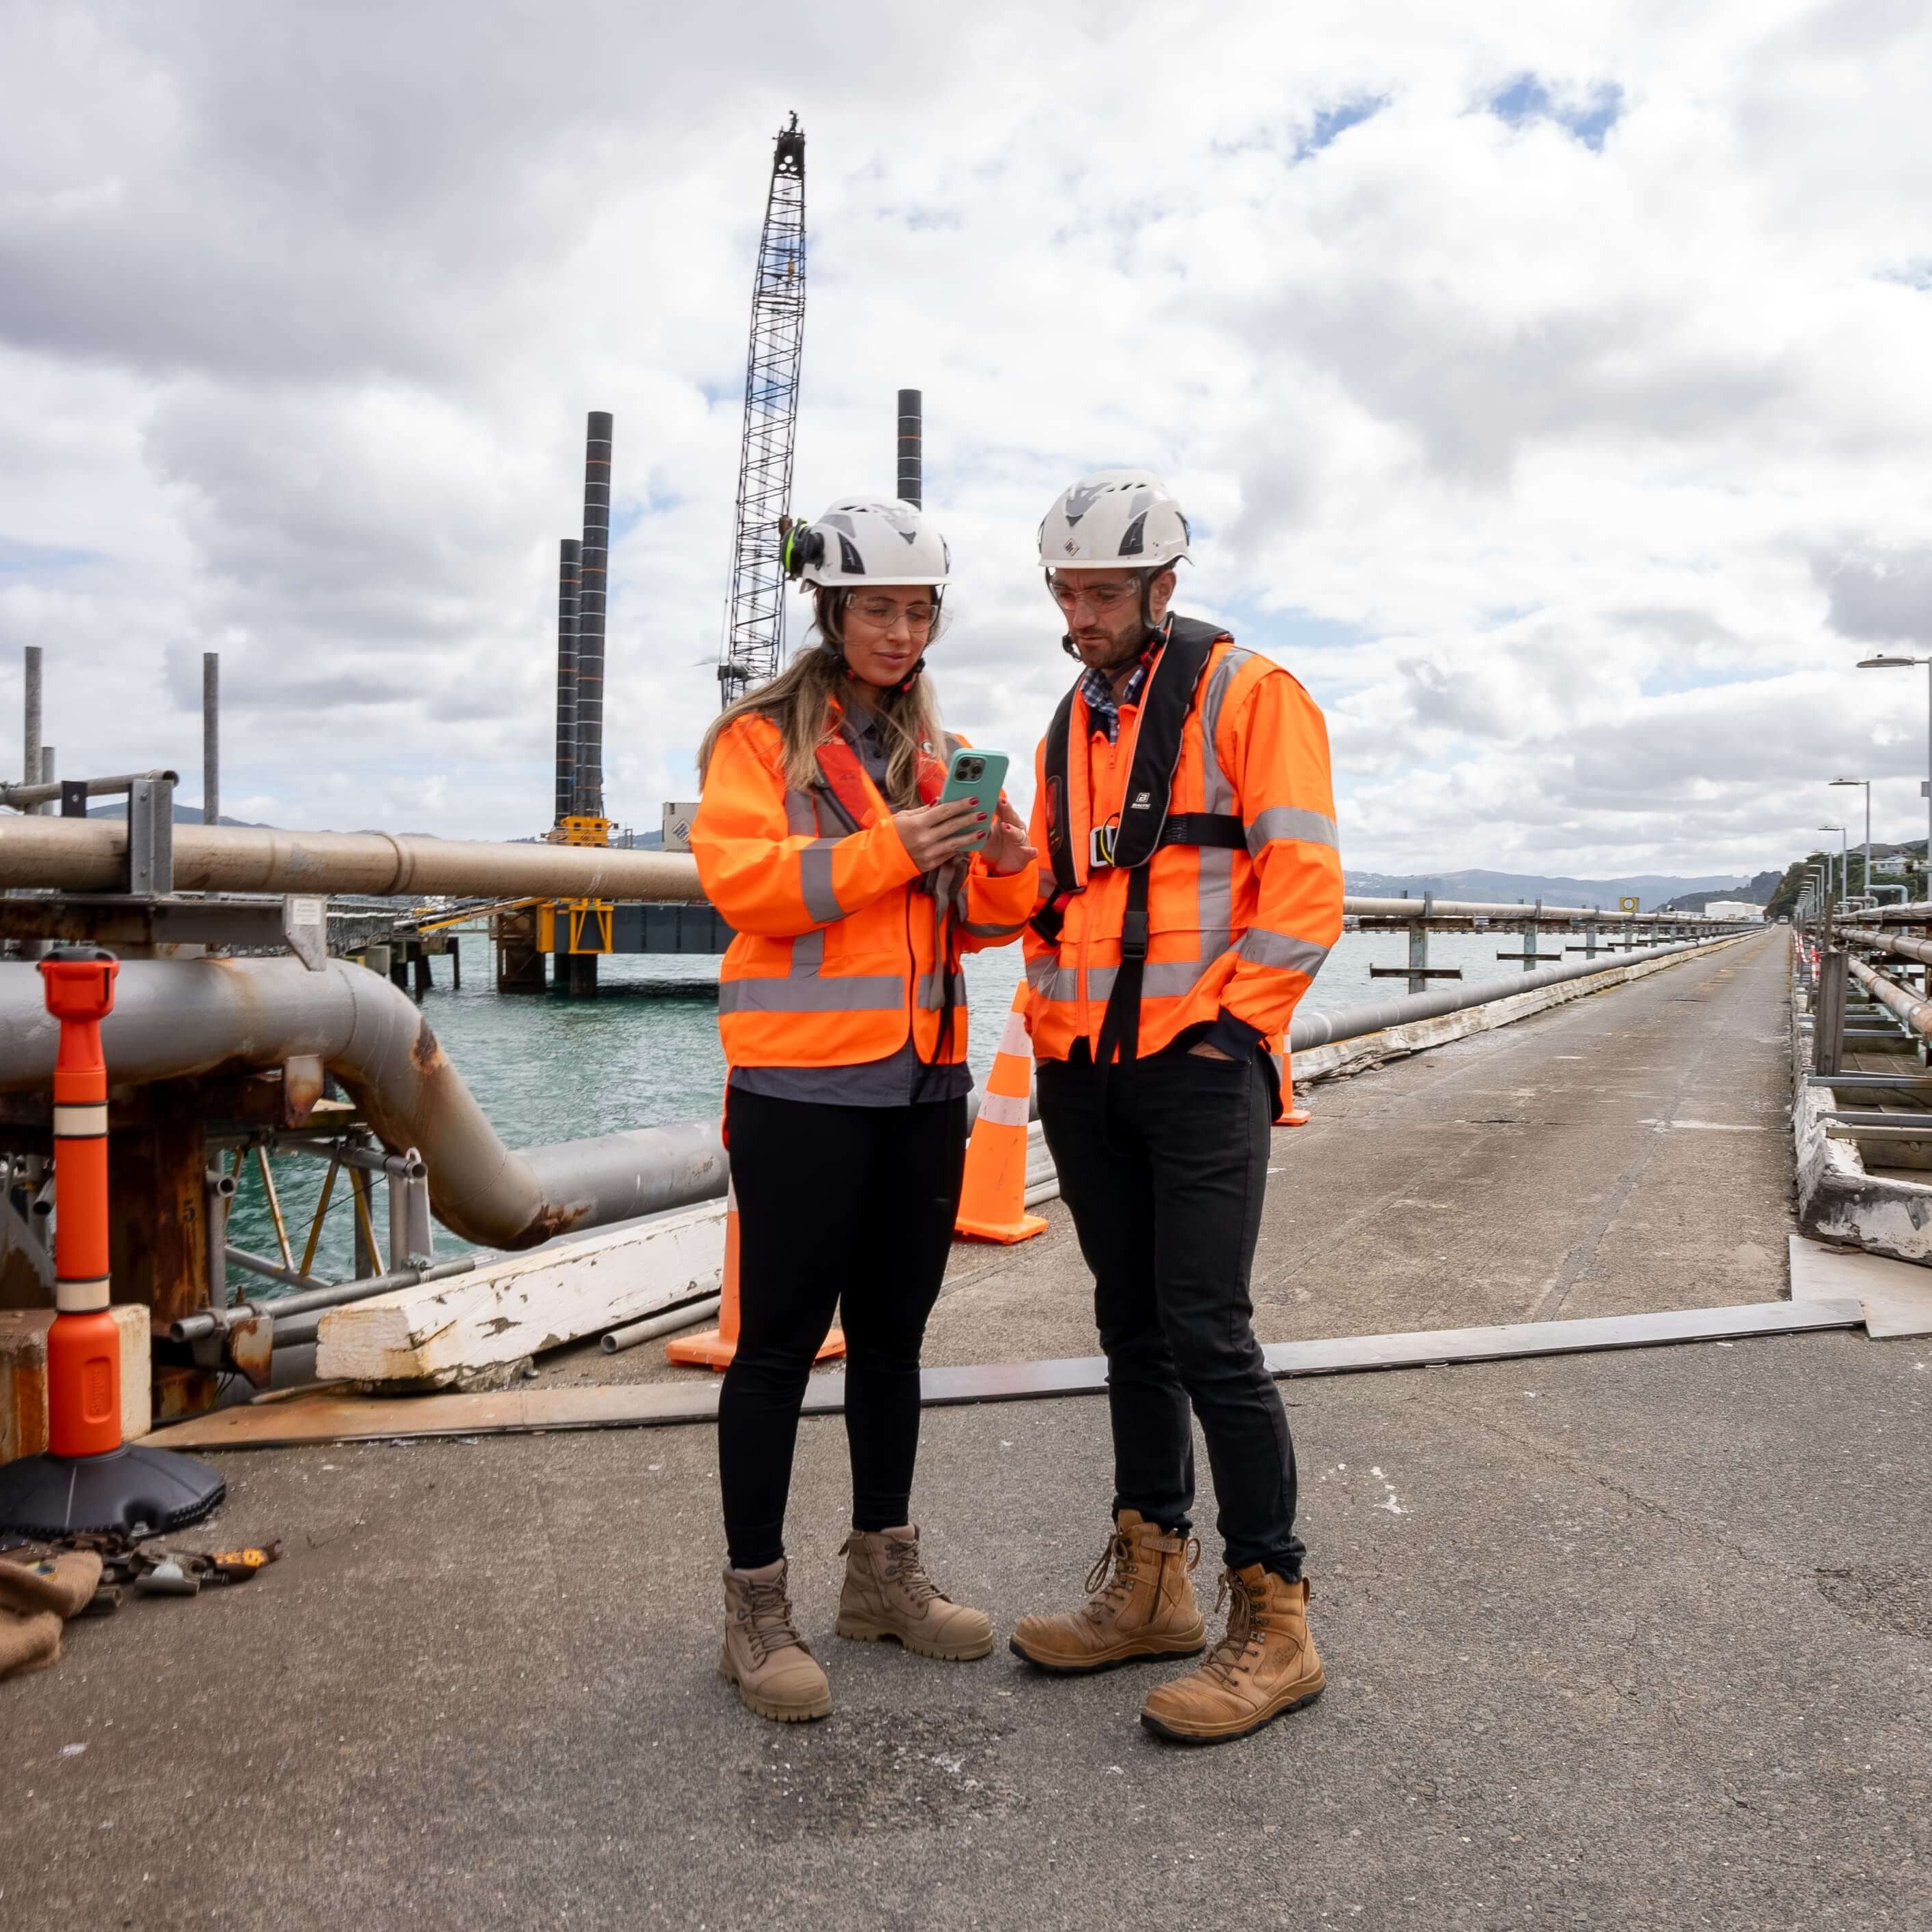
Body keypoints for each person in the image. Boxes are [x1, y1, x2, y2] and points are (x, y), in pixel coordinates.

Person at [1008, 470, 1343, 1745]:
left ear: (1162, 587)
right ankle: (1152, 1585)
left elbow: (1305, 886)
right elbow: (1049, 896)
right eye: (1065, 591)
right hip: (1088, 1070)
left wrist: (1229, 1031)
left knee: (1209, 1330)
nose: (1079, 613)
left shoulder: (1252, 696)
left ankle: (1278, 1620)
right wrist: (1048, 1018)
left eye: (1101, 592)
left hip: (1198, 1069)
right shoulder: (1068, 727)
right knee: (1132, 1329)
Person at [691, 496, 1038, 1725]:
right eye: (879, 608)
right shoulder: (754, 745)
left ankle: (881, 1575)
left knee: (894, 1338)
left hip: (923, 1080)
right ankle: (755, 1607)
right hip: (799, 1087)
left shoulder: (934, 750)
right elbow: (744, 885)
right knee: (779, 1347)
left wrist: (999, 851)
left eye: (919, 608)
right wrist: (900, 843)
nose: (902, 629)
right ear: (831, 612)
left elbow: (988, 923)